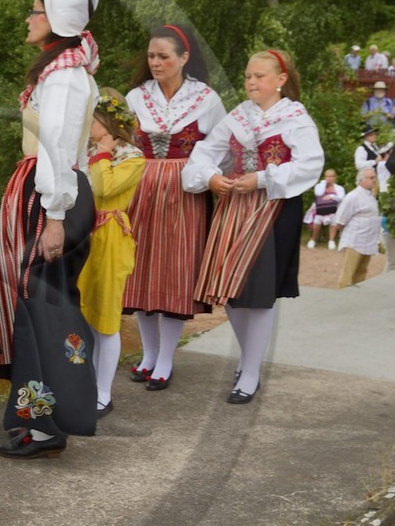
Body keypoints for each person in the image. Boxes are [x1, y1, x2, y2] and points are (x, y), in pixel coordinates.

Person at [0, 0, 100, 458]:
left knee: (41, 309)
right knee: (37, 306)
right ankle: (40, 417)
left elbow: (58, 147)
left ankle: (47, 424)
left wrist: (55, 216)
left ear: (56, 20)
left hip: (52, 199)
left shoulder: (67, 77)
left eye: (34, 11)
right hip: (49, 195)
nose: (28, 19)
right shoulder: (62, 71)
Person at [182, 49, 324, 403]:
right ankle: (249, 360)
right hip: (233, 211)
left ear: (280, 80)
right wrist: (212, 177)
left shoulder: (295, 119)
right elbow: (203, 155)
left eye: (259, 76)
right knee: (228, 290)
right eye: (248, 76)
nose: (251, 82)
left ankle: (250, 371)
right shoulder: (237, 117)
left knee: (259, 296)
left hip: (273, 211)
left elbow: (310, 165)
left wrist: (261, 178)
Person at [119, 24, 225, 391]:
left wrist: (210, 177)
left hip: (185, 190)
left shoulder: (207, 100)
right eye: (151, 56)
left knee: (175, 272)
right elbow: (122, 145)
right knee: (143, 273)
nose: (156, 62)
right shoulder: (135, 98)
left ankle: (166, 359)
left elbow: (221, 148)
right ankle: (149, 355)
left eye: (163, 56)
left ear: (184, 57)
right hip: (141, 189)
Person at [76, 88, 145, 418]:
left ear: (107, 122)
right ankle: (84, 382)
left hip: (112, 238)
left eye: (93, 118)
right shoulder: (86, 151)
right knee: (84, 314)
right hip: (85, 237)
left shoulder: (132, 157)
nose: (87, 124)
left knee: (106, 319)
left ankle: (103, 393)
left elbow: (104, 189)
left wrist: (102, 153)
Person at [334, 167, 383, 287]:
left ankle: (357, 297)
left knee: (362, 272)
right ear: (361, 180)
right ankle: (342, 298)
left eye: (375, 177)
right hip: (354, 240)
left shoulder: (371, 196)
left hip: (368, 240)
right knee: (348, 273)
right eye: (371, 178)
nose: (374, 180)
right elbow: (340, 220)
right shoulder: (353, 196)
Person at [304, 169, 345, 249]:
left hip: (334, 210)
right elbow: (318, 193)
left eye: (331, 176)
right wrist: (323, 183)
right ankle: (313, 239)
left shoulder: (339, 188)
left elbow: (341, 198)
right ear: (324, 177)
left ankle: (331, 241)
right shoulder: (319, 186)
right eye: (327, 176)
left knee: (334, 218)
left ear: (335, 177)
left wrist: (331, 196)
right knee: (318, 218)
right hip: (320, 210)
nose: (329, 178)